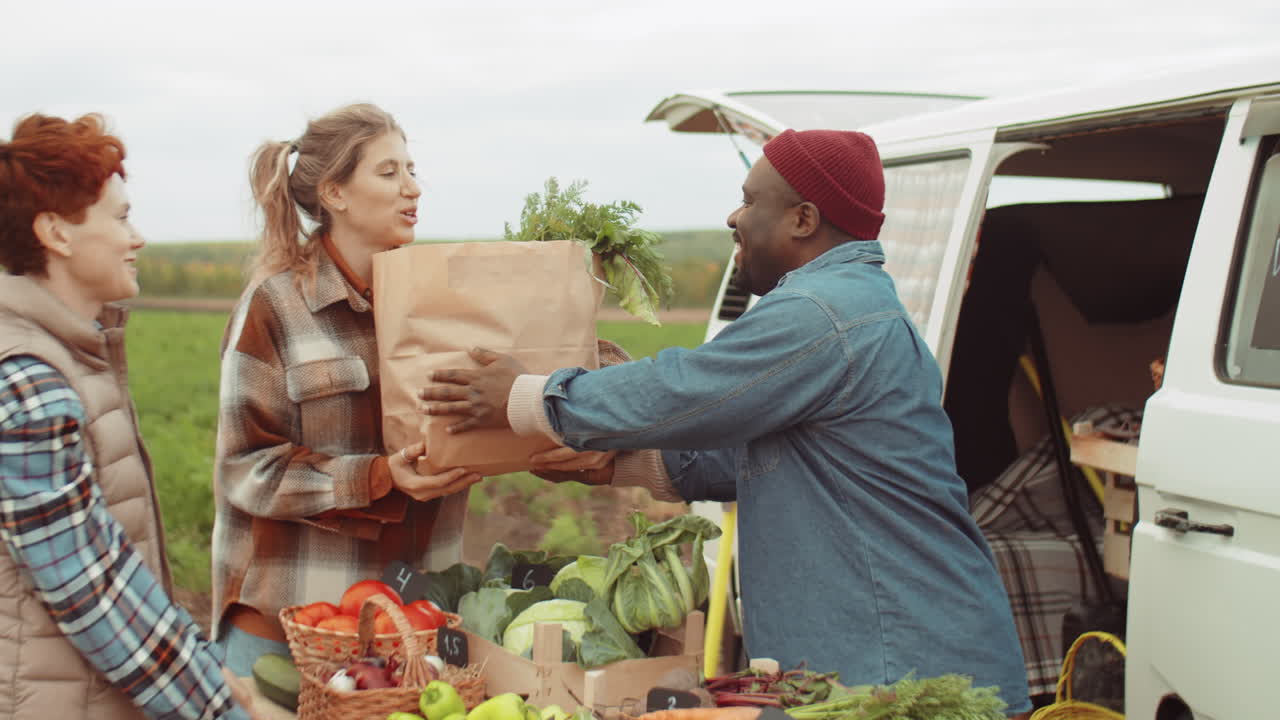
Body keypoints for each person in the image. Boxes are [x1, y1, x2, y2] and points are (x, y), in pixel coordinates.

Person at [422, 129, 1033, 716]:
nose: (732, 218)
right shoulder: (846, 306)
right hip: (885, 666)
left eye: (748, 200)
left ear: (803, 218)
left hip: (905, 670)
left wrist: (529, 398)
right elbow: (750, 459)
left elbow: (683, 390)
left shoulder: (825, 312)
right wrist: (615, 463)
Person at [0, 113, 258, 718]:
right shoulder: (30, 380)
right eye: (119, 217)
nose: (136, 237)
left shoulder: (72, 355)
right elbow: (89, 587)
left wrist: (201, 661)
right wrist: (214, 704)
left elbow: (123, 562)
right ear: (57, 234)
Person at [212, 103, 482, 676]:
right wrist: (381, 476)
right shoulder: (276, 307)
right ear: (334, 193)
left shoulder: (436, 303)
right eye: (388, 173)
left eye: (411, 169)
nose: (412, 187)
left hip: (411, 630)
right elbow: (246, 468)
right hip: (295, 634)